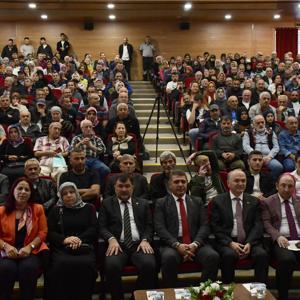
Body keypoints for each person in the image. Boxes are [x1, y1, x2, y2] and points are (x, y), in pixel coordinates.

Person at [154, 170, 220, 287]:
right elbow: (160, 228)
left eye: (183, 182)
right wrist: (177, 245)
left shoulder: (197, 201)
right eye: (176, 182)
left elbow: (205, 225)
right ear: (170, 185)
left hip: (195, 243)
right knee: (168, 258)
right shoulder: (161, 203)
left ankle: (205, 292)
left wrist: (194, 244)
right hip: (172, 244)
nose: (180, 184)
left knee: (212, 256)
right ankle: (171, 294)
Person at [98, 173, 157, 300]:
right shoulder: (107, 203)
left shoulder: (143, 203)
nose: (124, 189)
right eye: (120, 186)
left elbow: (149, 226)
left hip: (139, 244)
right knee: (111, 266)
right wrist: (111, 239)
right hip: (117, 245)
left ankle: (135, 297)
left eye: (127, 186)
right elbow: (102, 226)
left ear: (132, 187)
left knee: (149, 265)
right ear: (115, 187)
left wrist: (146, 239)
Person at [210, 169, 269, 284]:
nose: (241, 183)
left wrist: (249, 243)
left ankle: (261, 290)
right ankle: (228, 289)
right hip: (227, 242)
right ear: (228, 183)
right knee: (228, 255)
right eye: (237, 181)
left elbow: (258, 225)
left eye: (243, 181)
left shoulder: (254, 201)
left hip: (249, 241)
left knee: (262, 255)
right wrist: (230, 243)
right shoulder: (218, 201)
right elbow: (215, 227)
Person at [46, 182, 97, 300]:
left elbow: (94, 228)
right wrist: (65, 240)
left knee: (87, 265)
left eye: (71, 192)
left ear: (77, 193)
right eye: (65, 194)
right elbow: (50, 232)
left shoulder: (89, 208)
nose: (69, 195)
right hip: (62, 248)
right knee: (60, 265)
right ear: (61, 196)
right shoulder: (56, 210)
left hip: (84, 245)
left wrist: (79, 239)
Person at [0, 177, 48, 300]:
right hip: (6, 250)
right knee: (6, 268)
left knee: (28, 268)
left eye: (27, 189)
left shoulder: (38, 209)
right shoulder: (2, 210)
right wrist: (6, 246)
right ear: (13, 190)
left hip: (30, 250)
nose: (23, 192)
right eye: (19, 188)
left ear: (31, 193)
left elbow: (43, 232)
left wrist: (29, 247)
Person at [261, 173, 300, 300]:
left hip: (298, 239)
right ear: (277, 186)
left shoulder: (298, 202)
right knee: (287, 260)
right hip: (281, 241)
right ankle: (283, 295)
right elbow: (266, 223)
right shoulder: (268, 202)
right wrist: (277, 236)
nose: (287, 189)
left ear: (294, 187)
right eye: (283, 185)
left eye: (290, 186)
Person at [71, 119, 109, 187]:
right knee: (82, 169)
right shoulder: (76, 138)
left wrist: (90, 146)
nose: (88, 129)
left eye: (90, 127)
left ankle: (99, 188)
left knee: (105, 169)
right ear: (82, 129)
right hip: (81, 159)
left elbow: (103, 150)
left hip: (94, 160)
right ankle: (86, 187)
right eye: (86, 127)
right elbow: (71, 150)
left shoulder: (97, 139)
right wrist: (80, 143)